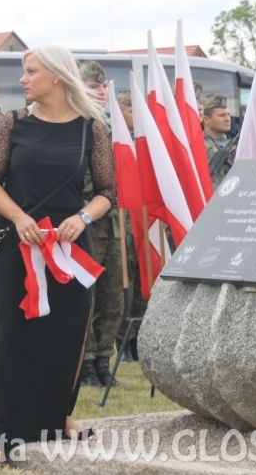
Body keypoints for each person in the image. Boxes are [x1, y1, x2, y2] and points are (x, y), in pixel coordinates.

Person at [0, 44, 115, 469]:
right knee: (12, 336)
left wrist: (83, 217)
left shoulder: (91, 128)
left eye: (30, 71)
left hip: (71, 247)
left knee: (67, 335)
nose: (23, 79)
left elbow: (108, 192)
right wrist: (19, 217)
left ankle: (57, 419)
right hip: (18, 244)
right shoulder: (13, 123)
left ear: (55, 76)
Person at [78, 60, 123, 388]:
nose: (102, 91)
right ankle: (86, 363)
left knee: (112, 296)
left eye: (103, 86)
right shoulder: (77, 124)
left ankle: (104, 360)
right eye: (94, 86)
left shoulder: (111, 125)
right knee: (86, 294)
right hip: (86, 219)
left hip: (114, 222)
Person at [113, 89, 146, 364]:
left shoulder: (145, 141)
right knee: (125, 284)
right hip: (122, 222)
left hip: (144, 221)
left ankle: (138, 339)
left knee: (142, 285)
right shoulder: (116, 141)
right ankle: (122, 341)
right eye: (132, 110)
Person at [202, 94, 234, 187]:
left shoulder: (235, 145)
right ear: (207, 119)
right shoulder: (200, 147)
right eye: (222, 115)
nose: (228, 119)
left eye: (228, 114)